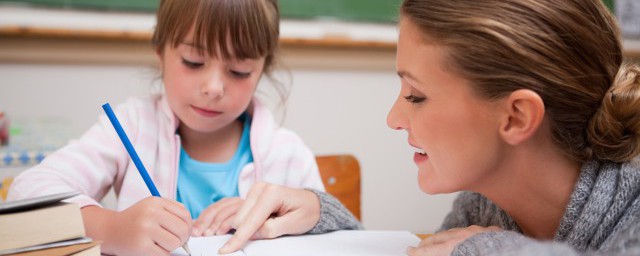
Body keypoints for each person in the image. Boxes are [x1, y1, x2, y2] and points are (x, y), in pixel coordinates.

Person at [216, 0, 640, 255]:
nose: (393, 119)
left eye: (416, 95)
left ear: (516, 117)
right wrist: (323, 220)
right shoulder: (485, 206)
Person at [8, 0, 325, 255]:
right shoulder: (132, 126)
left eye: (239, 70)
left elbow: (344, 238)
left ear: (261, 70)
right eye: (193, 61)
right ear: (160, 52)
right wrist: (112, 229)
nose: (214, 87)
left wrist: (315, 210)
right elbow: (27, 193)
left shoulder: (287, 154)